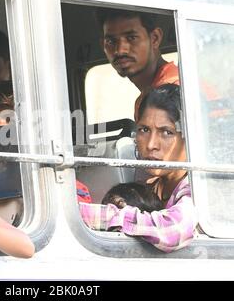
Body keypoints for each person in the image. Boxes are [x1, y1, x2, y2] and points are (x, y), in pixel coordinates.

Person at [79, 84, 197, 252]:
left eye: (167, 132)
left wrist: (86, 215)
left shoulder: (197, 189)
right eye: (144, 130)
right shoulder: (149, 185)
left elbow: (171, 231)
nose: (151, 145)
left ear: (189, 137)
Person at [95, 8, 179, 121]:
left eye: (131, 38)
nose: (119, 50)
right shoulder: (148, 96)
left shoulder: (175, 89)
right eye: (111, 41)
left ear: (155, 38)